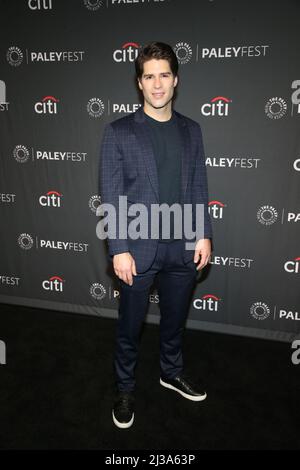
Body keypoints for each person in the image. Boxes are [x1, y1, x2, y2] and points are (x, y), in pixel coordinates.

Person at [99, 42, 213, 429]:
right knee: (130, 326)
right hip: (138, 248)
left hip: (182, 248)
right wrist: (119, 249)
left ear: (175, 80)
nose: (158, 83)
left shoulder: (192, 130)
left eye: (164, 74)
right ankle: (125, 386)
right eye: (150, 76)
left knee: (174, 321)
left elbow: (198, 184)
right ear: (140, 83)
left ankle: (170, 371)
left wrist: (203, 234)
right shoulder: (119, 132)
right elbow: (111, 195)